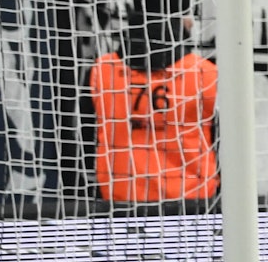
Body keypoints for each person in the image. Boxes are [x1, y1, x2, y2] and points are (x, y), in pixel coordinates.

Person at [90, 12, 218, 202]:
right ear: (180, 18)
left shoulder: (102, 69)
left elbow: (84, 136)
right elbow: (223, 142)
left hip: (121, 194)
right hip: (193, 198)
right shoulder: (204, 72)